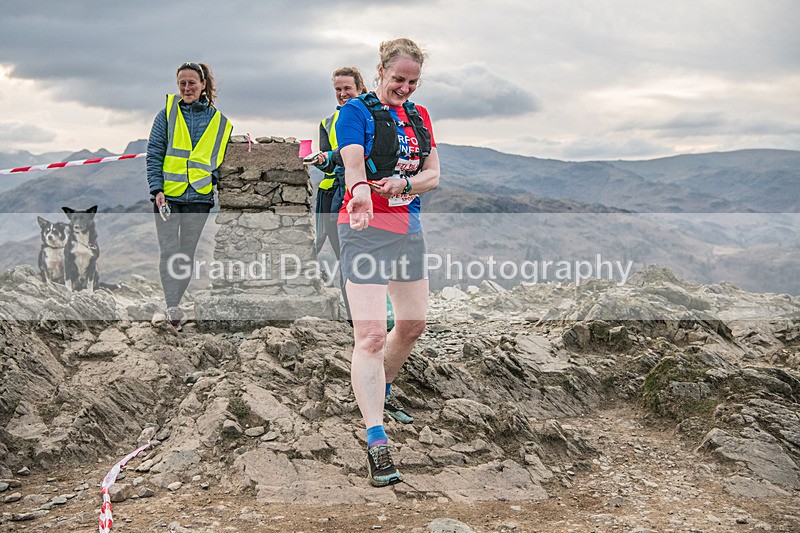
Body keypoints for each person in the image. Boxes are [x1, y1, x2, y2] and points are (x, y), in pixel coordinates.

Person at [336, 38, 440, 487]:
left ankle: (382, 387)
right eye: (398, 79)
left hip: (408, 228)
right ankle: (376, 440)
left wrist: (405, 183)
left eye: (413, 82)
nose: (405, 88)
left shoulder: (419, 116)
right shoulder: (354, 112)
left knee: (413, 324)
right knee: (372, 335)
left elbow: (434, 175)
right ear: (380, 71)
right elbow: (354, 163)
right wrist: (360, 191)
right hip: (362, 230)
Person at [146, 62, 233, 331]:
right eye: (182, 83)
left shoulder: (219, 122)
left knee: (186, 253)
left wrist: (212, 181)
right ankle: (172, 306)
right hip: (168, 197)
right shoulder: (166, 115)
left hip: (199, 198)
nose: (186, 88)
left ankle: (175, 302)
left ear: (203, 84)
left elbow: (220, 161)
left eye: (191, 83)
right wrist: (156, 189)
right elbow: (154, 154)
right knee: (169, 251)